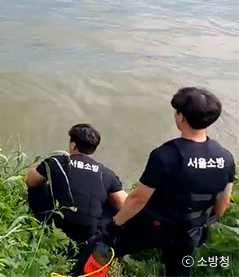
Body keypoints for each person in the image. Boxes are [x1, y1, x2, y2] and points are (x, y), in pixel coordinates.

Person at [84, 87, 235, 277]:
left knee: (100, 247)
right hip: (190, 231)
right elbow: (223, 203)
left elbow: (138, 199)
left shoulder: (166, 155)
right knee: (178, 271)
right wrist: (204, 221)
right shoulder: (225, 158)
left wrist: (113, 227)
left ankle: (85, 272)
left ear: (181, 116)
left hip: (152, 227)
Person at [26, 124, 127, 247]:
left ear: (73, 145)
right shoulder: (106, 173)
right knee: (112, 204)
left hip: (54, 227)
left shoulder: (57, 162)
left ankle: (43, 224)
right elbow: (124, 205)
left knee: (37, 188)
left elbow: (31, 181)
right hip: (86, 239)